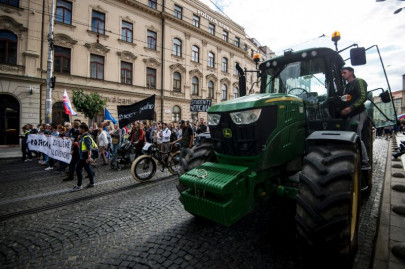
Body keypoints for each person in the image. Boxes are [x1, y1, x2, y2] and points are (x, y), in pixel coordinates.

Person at [340, 66, 370, 169]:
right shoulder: (346, 87)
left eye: (344, 72)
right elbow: (346, 99)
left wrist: (350, 108)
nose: (342, 75)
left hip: (358, 113)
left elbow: (363, 97)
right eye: (342, 73)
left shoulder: (359, 81)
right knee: (351, 136)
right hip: (351, 115)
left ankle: (365, 162)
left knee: (356, 136)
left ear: (351, 72)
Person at [73, 123, 96, 191]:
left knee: (78, 169)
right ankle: (92, 183)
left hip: (85, 157)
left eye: (80, 128)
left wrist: (89, 157)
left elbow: (89, 148)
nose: (78, 129)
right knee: (88, 169)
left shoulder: (86, 137)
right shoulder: (83, 136)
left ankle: (79, 185)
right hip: (83, 156)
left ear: (83, 129)